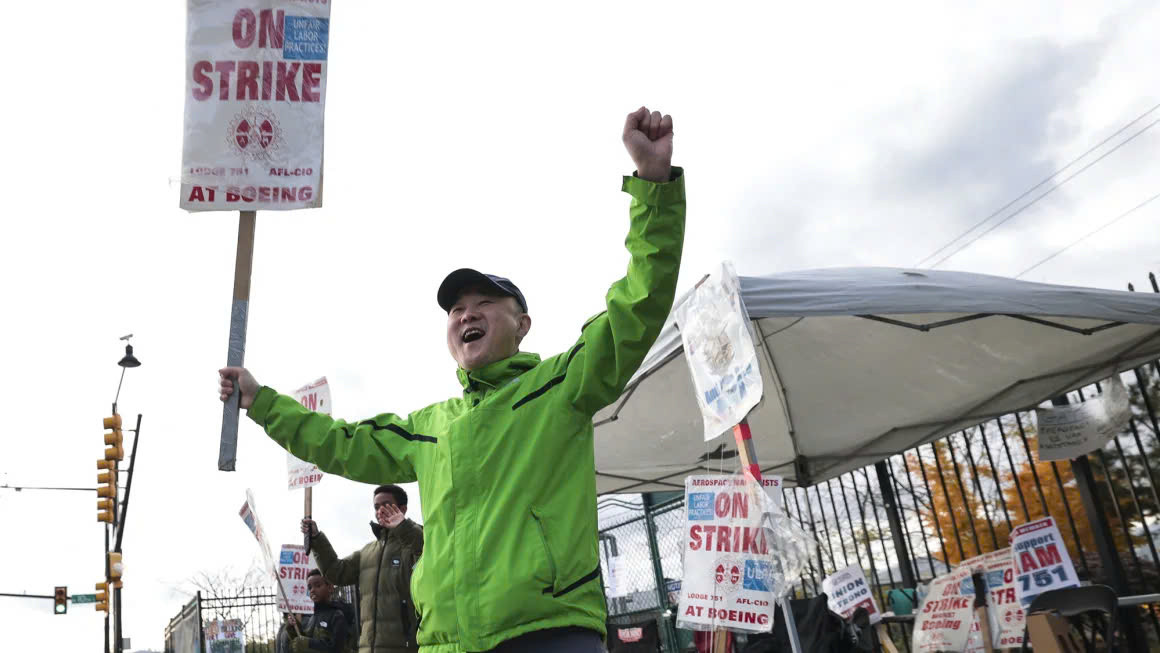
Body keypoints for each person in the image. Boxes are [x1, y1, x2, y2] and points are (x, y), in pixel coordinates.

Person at [220, 105, 685, 652]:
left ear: (523, 325)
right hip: (444, 643)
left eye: (485, 302)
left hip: (546, 635)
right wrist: (261, 401)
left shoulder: (562, 386)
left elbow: (636, 308)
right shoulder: (429, 427)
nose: (466, 314)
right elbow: (341, 443)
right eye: (455, 309)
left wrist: (653, 186)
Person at [301, 484, 423, 653]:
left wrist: (402, 526)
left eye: (386, 504)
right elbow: (336, 572)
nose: (380, 510)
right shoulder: (367, 552)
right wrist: (316, 538)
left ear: (402, 508)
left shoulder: (416, 541)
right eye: (376, 506)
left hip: (407, 647)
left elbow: (425, 549)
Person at [286, 569, 356, 652]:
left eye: (317, 585)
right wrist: (293, 628)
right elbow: (305, 641)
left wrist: (308, 643)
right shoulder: (313, 617)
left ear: (330, 588)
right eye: (310, 587)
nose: (312, 590)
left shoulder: (337, 615)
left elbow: (337, 648)